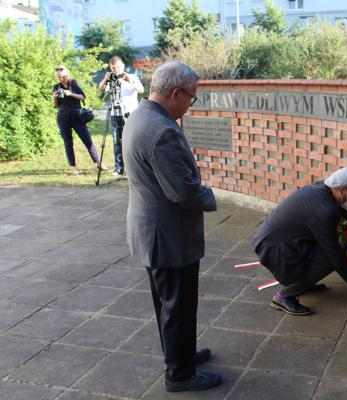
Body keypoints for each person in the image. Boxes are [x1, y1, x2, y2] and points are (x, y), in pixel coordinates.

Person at [122, 61, 221, 392]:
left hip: (152, 231)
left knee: (169, 302)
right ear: (176, 93)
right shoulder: (163, 130)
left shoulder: (140, 116)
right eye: (191, 99)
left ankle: (181, 354)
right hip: (168, 236)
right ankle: (179, 374)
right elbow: (185, 192)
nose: (190, 107)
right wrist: (210, 196)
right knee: (178, 306)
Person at [253, 167, 347, 316]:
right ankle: (284, 296)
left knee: (327, 254)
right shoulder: (324, 209)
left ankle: (305, 284)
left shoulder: (324, 189)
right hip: (275, 249)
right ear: (342, 190)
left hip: (281, 241)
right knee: (329, 259)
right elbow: (333, 251)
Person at [52, 65, 107, 176]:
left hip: (77, 116)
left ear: (67, 74)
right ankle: (74, 168)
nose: (61, 79)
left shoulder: (74, 83)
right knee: (68, 143)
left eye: (63, 76)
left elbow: (82, 97)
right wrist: (54, 97)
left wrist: (70, 94)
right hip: (63, 118)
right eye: (59, 77)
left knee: (87, 140)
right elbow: (55, 106)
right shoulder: (56, 87)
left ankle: (99, 163)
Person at [98, 55, 144, 176]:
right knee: (117, 141)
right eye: (113, 68)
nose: (116, 70)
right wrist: (105, 79)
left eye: (118, 67)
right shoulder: (112, 79)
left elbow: (141, 90)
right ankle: (119, 168)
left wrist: (129, 80)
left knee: (131, 140)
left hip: (130, 112)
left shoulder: (132, 76)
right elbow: (101, 89)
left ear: (122, 65)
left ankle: (134, 167)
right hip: (115, 113)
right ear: (110, 68)